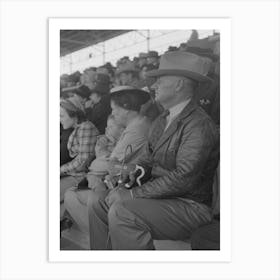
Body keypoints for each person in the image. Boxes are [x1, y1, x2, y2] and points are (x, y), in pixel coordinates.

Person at [87, 51, 220, 250]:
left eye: (160, 80)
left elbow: (184, 178)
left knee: (123, 211)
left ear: (179, 84)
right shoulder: (162, 120)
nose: (153, 85)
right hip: (162, 197)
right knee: (97, 200)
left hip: (190, 205)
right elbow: (147, 160)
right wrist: (130, 170)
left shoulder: (199, 124)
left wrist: (132, 194)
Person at [63, 87, 151, 234]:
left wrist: (102, 155)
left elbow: (111, 165)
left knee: (71, 195)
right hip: (119, 181)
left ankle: (104, 240)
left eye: (114, 109)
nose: (113, 114)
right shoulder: (138, 124)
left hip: (125, 186)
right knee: (72, 194)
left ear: (126, 109)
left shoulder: (136, 129)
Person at [60, 98, 99, 213]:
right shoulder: (79, 128)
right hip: (76, 173)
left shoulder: (86, 127)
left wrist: (60, 170)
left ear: (74, 115)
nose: (59, 119)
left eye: (62, 116)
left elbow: (83, 161)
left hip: (82, 175)